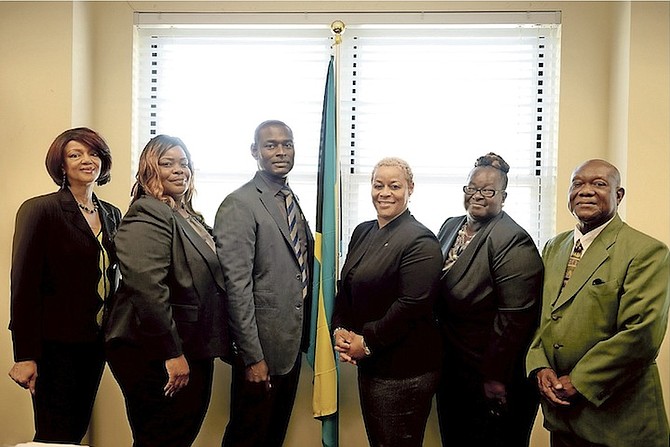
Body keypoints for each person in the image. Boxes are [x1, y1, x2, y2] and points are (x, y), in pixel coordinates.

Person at [526, 159, 670, 447]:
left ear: (619, 195)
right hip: (562, 417)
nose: (586, 191)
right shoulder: (554, 247)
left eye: (599, 184)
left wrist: (578, 381)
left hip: (619, 420)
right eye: (577, 183)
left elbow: (641, 335)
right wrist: (539, 365)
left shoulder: (646, 251)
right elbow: (543, 317)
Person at [105, 135, 230, 447]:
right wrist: (171, 353)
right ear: (150, 170)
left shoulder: (186, 215)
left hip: (192, 344)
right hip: (154, 350)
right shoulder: (148, 213)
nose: (179, 170)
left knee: (177, 435)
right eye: (167, 163)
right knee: (162, 438)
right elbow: (148, 288)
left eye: (183, 163)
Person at [8, 127, 121, 443]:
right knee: (54, 435)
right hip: (53, 348)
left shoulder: (111, 214)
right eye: (76, 154)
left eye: (94, 153)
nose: (87, 160)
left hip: (96, 345)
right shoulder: (40, 209)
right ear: (61, 165)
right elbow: (24, 286)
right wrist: (25, 355)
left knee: (75, 431)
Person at [213, 120, 313, 447]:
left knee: (272, 438)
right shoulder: (239, 204)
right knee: (247, 437)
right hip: (261, 352)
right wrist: (252, 357)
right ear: (254, 151)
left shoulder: (290, 198)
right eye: (271, 145)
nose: (281, 151)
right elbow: (236, 287)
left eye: (287, 143)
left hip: (289, 347)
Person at [332, 157, 443, 447]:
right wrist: (341, 329)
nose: (385, 193)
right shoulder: (362, 231)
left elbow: (411, 306)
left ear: (410, 189)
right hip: (372, 365)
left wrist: (365, 342)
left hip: (405, 371)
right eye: (378, 185)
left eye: (394, 186)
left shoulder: (421, 241)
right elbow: (347, 287)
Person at [435, 152, 542, 447]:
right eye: (472, 188)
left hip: (492, 378)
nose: (477, 196)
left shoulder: (512, 239)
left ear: (503, 197)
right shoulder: (450, 226)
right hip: (454, 370)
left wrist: (494, 378)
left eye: (488, 190)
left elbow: (514, 319)